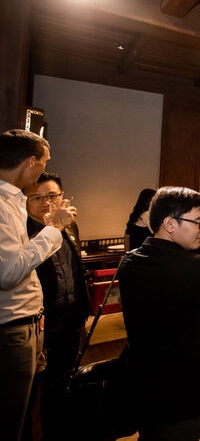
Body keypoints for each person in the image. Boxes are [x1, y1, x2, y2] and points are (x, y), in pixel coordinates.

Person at [118, 186, 200, 440]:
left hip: (141, 383)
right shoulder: (195, 267)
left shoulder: (131, 261)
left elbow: (166, 306)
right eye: (199, 222)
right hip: (184, 387)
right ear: (170, 224)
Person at [0, 129, 77, 441]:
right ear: (31, 162)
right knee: (12, 417)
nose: (46, 167)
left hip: (32, 323)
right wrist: (54, 228)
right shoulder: (3, 205)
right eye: (45, 161)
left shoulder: (13, 201)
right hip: (12, 328)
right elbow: (9, 272)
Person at [23, 172, 90, 440]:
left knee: (62, 384)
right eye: (36, 198)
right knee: (29, 393)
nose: (46, 203)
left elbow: (75, 269)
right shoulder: (21, 232)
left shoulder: (70, 226)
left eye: (52, 196)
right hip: (39, 323)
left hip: (71, 320)